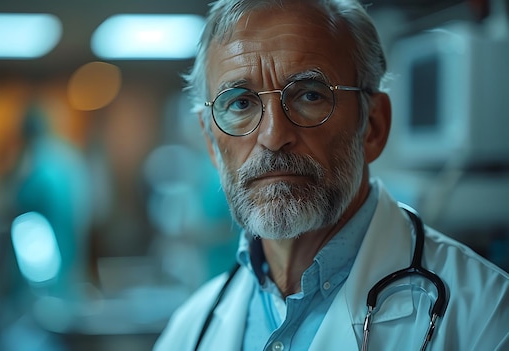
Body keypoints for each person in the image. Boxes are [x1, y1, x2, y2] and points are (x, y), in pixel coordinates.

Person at [153, 0, 509, 350]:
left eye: (309, 95)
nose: (274, 136)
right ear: (210, 140)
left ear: (372, 125)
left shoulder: (487, 317)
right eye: (241, 103)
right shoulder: (189, 331)